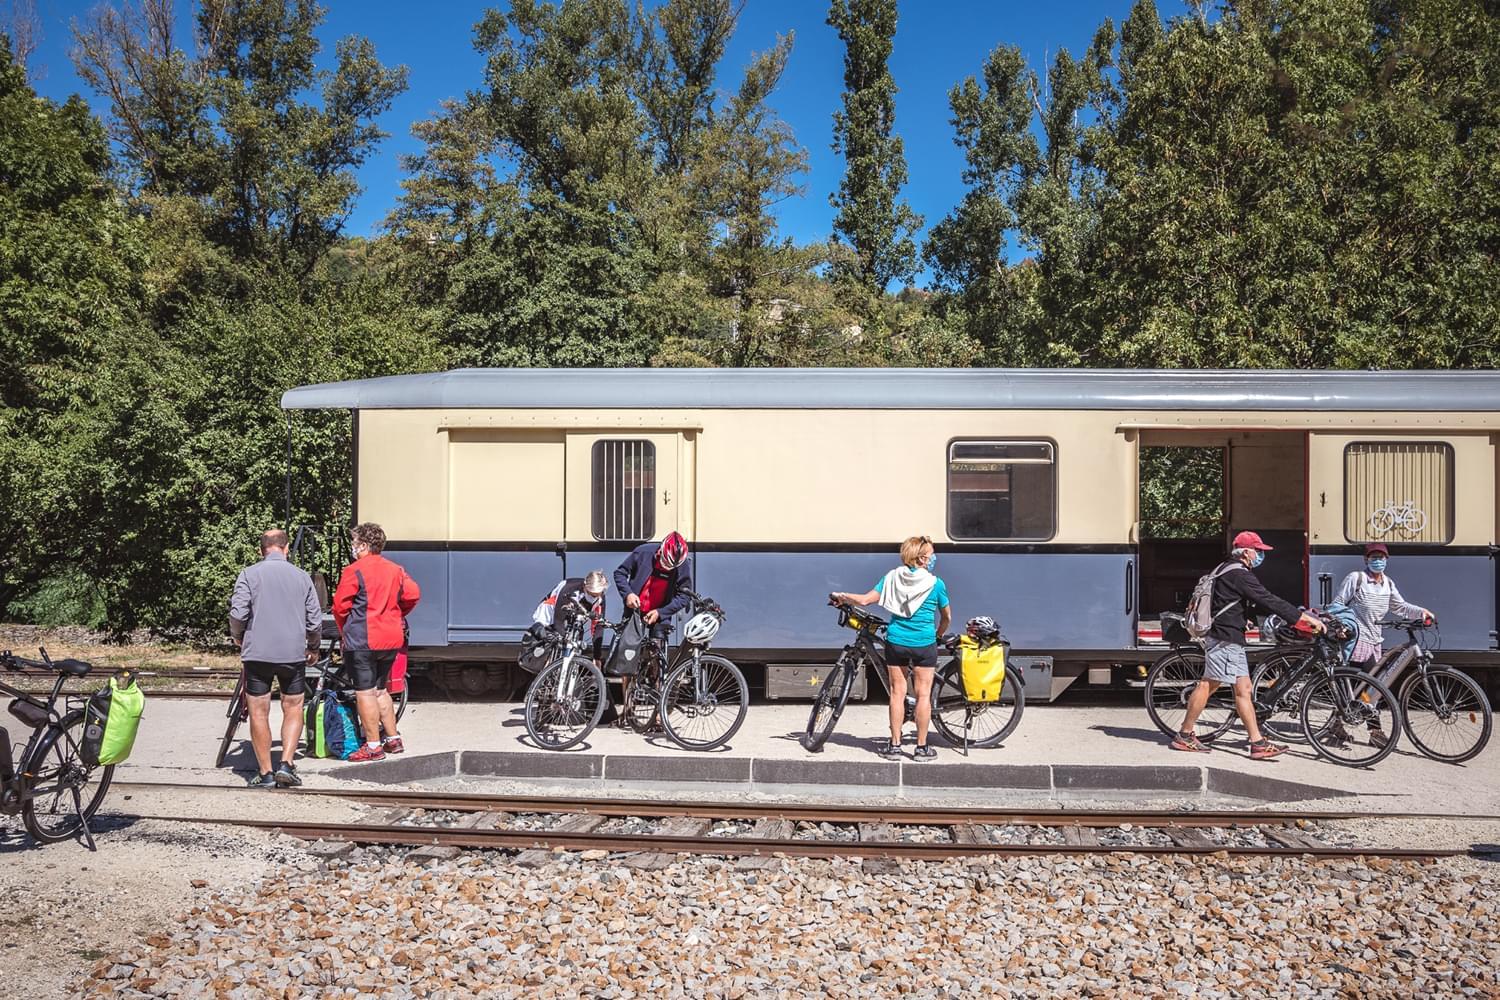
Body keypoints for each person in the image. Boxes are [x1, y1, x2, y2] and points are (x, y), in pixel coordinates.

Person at [1172, 531, 1325, 760]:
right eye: (1259, 551)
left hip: (1229, 637)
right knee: (1208, 685)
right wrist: (1302, 619)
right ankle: (1185, 734)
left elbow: (1230, 601)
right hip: (1225, 639)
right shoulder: (1239, 574)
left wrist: (1245, 617)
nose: (1261, 555)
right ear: (1246, 552)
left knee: (1244, 689)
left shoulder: (1225, 569)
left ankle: (1257, 743)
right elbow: (1268, 599)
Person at [832, 535, 951, 761]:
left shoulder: (892, 577)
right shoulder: (936, 584)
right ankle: (922, 748)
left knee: (897, 693)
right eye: (932, 554)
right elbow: (946, 617)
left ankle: (895, 746)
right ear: (923, 558)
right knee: (923, 695)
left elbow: (865, 600)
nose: (934, 557)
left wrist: (843, 597)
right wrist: (938, 635)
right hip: (924, 643)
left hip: (896, 642)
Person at [228, 529, 322, 789]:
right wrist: (313, 647)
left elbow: (238, 613)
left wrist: (239, 637)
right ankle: (287, 764)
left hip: (257, 654)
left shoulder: (248, 574)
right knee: (293, 707)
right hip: (292, 654)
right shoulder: (302, 578)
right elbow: (314, 620)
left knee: (259, 712)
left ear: (262, 550)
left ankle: (266, 773)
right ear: (286, 548)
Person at [332, 522, 420, 762]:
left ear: (362, 545)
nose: (352, 546)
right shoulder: (396, 569)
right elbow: (413, 594)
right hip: (391, 638)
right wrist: (396, 614)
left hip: (363, 638)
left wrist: (344, 631)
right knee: (382, 690)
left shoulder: (354, 570)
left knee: (365, 692)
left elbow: (340, 607)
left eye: (354, 542)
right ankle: (393, 739)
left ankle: (372, 746)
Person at [1333, 541, 1432, 744]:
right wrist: (1343, 625)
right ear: (1365, 559)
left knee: (1369, 689)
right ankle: (1373, 731)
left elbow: (1400, 607)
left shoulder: (1388, 583)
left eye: (1381, 557)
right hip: (1355, 641)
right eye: (1373, 557)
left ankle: (1340, 724)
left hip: (1374, 642)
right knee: (1361, 687)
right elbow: (1337, 605)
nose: (1377, 561)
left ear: (1387, 560)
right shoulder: (1357, 578)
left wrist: (1421, 612)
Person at [612, 532, 693, 724]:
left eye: (671, 566)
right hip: (635, 612)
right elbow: (620, 573)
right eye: (665, 562)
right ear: (660, 551)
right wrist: (628, 595)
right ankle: (627, 710)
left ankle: (658, 715)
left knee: (659, 665)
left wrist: (661, 612)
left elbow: (684, 596)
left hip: (659, 615)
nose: (667, 567)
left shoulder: (681, 564)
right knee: (628, 661)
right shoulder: (642, 552)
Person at [530, 571, 609, 663]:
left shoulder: (600, 596)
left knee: (576, 642)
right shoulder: (569, 588)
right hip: (551, 613)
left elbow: (598, 627)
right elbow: (558, 620)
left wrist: (597, 657)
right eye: (592, 594)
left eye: (598, 594)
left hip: (575, 615)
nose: (595, 597)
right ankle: (547, 668)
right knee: (554, 644)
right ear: (585, 587)